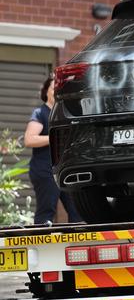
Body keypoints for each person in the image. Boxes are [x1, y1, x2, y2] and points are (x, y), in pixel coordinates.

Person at [24, 77, 82, 224]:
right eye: (53, 88)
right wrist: (54, 138)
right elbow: (29, 139)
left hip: (65, 170)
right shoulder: (40, 113)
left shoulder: (65, 114)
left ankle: (77, 245)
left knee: (78, 211)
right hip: (44, 171)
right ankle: (38, 244)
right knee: (46, 211)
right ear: (46, 92)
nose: (56, 92)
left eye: (59, 89)